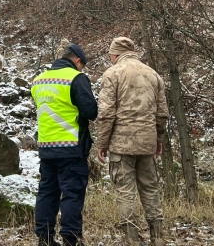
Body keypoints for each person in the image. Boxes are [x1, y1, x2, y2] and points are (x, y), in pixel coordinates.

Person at [96, 37, 169, 246]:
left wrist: (102, 143)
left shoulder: (112, 74)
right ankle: (159, 237)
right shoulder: (153, 74)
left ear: (116, 54)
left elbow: (106, 113)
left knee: (125, 192)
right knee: (150, 189)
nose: (110, 58)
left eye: (110, 54)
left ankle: (132, 239)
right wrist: (158, 139)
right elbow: (162, 113)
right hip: (147, 142)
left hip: (121, 144)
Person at [31, 43, 98, 246]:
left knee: (47, 192)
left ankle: (44, 238)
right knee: (72, 193)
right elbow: (90, 111)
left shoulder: (38, 81)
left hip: (46, 146)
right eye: (82, 66)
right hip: (71, 146)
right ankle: (71, 238)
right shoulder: (75, 78)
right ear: (77, 61)